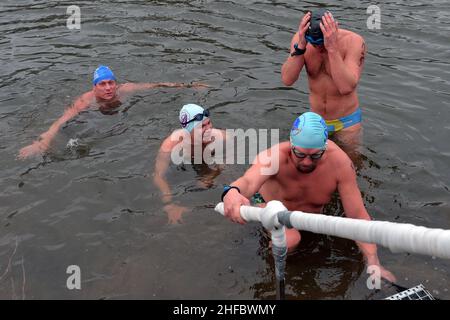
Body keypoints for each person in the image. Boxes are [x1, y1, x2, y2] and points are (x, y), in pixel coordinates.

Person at [222, 112, 396, 282]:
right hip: (270, 205)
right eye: (300, 154)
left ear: (324, 148)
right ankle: (272, 270)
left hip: (311, 217)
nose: (306, 162)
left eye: (315, 156)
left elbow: (358, 216)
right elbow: (249, 181)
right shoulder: (274, 157)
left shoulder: (340, 164)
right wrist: (232, 191)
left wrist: (373, 262)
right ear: (291, 145)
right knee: (290, 240)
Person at [18, 65, 208, 159]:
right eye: (102, 84)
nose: (108, 88)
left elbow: (155, 85)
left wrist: (189, 86)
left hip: (119, 114)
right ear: (94, 87)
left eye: (111, 83)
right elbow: (59, 122)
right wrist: (39, 143)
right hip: (93, 116)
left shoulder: (125, 89)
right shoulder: (85, 101)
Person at [281, 9, 366, 158]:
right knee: (307, 166)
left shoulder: (353, 41)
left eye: (321, 43)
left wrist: (332, 48)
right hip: (316, 122)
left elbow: (346, 87)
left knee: (353, 166)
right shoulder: (301, 40)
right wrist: (301, 46)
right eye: (314, 44)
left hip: (347, 123)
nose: (318, 48)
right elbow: (287, 80)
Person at [153, 103, 226, 224]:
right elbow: (158, 176)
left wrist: (215, 173)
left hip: (210, 160)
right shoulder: (170, 145)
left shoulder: (218, 136)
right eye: (202, 126)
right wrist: (169, 203)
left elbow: (235, 154)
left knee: (210, 182)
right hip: (183, 167)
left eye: (209, 123)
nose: (209, 129)